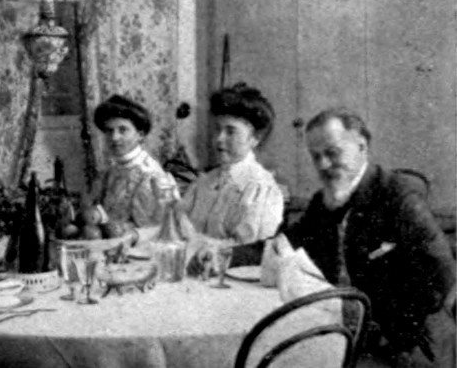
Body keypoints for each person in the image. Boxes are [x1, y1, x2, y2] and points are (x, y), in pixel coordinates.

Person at [267, 108, 455, 368]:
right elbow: (287, 241)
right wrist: (227, 254)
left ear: (362, 146)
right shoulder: (325, 200)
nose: (323, 165)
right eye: (315, 156)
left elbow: (441, 277)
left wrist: (380, 331)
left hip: (410, 348)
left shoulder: (399, 197)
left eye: (332, 153)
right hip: (352, 335)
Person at [180, 83, 284, 246]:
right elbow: (178, 228)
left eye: (231, 131)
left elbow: (247, 250)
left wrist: (194, 242)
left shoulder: (261, 189)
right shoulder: (204, 182)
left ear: (254, 139)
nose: (219, 138)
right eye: (217, 129)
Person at [92, 94, 175, 231]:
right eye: (109, 131)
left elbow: (149, 227)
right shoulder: (113, 168)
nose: (114, 137)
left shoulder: (148, 173)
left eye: (122, 130)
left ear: (140, 135)